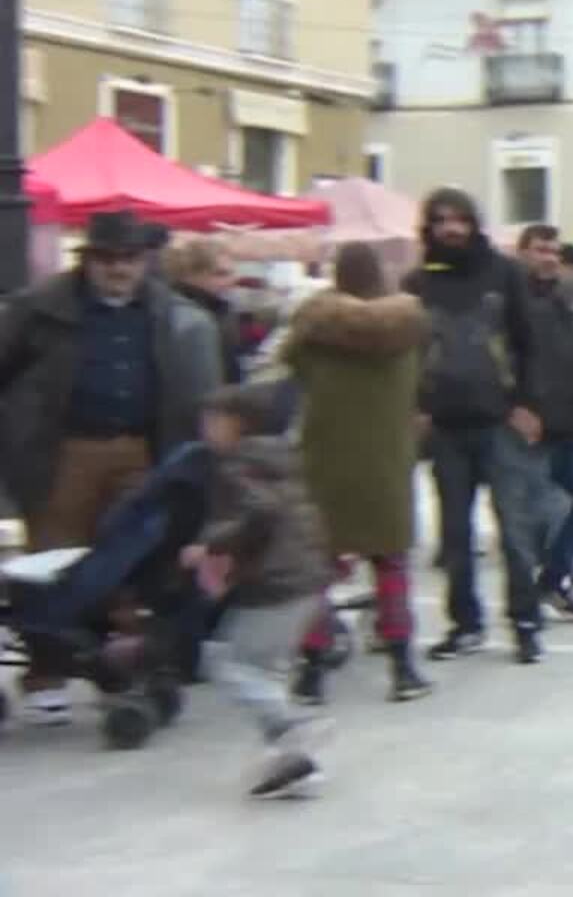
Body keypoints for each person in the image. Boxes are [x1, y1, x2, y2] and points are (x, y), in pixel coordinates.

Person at [0, 209, 223, 725]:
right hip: (63, 449)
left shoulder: (169, 312)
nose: (118, 269)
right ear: (89, 259)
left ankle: (119, 668)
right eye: (107, 258)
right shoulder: (39, 308)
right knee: (51, 561)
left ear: (145, 261)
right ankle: (46, 674)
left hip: (140, 448)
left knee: (130, 558)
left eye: (129, 259)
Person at [282, 242, 433, 705]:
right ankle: (402, 666)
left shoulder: (313, 330)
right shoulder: (411, 329)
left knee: (318, 572)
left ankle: (312, 670)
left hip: (325, 458)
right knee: (390, 565)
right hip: (387, 461)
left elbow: (290, 366)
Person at [403, 188, 546, 666]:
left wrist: (527, 402)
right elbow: (408, 356)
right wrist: (415, 406)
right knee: (455, 536)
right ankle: (465, 624)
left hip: (499, 421)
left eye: (460, 219)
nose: (451, 228)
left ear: (473, 223)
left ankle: (526, 623)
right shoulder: (419, 282)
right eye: (441, 220)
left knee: (514, 531)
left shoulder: (504, 274)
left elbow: (531, 342)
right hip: (445, 425)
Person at [182, 383, 334, 799]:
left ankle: (293, 725)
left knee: (225, 660)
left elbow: (261, 512)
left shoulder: (239, 464)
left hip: (276, 583)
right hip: (303, 578)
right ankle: (297, 767)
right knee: (267, 670)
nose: (206, 429)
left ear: (239, 425)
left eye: (213, 421)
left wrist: (210, 546)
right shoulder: (280, 457)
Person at [515, 225, 573, 621]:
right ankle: (525, 602)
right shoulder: (512, 303)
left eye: (553, 250)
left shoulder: (562, 302)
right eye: (540, 250)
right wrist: (518, 407)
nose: (549, 257)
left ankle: (553, 578)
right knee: (527, 516)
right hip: (533, 427)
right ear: (523, 253)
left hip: (570, 424)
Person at [164, 236, 245, 384]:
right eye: (220, 274)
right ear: (190, 275)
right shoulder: (176, 314)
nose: (232, 281)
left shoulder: (221, 310)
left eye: (232, 273)